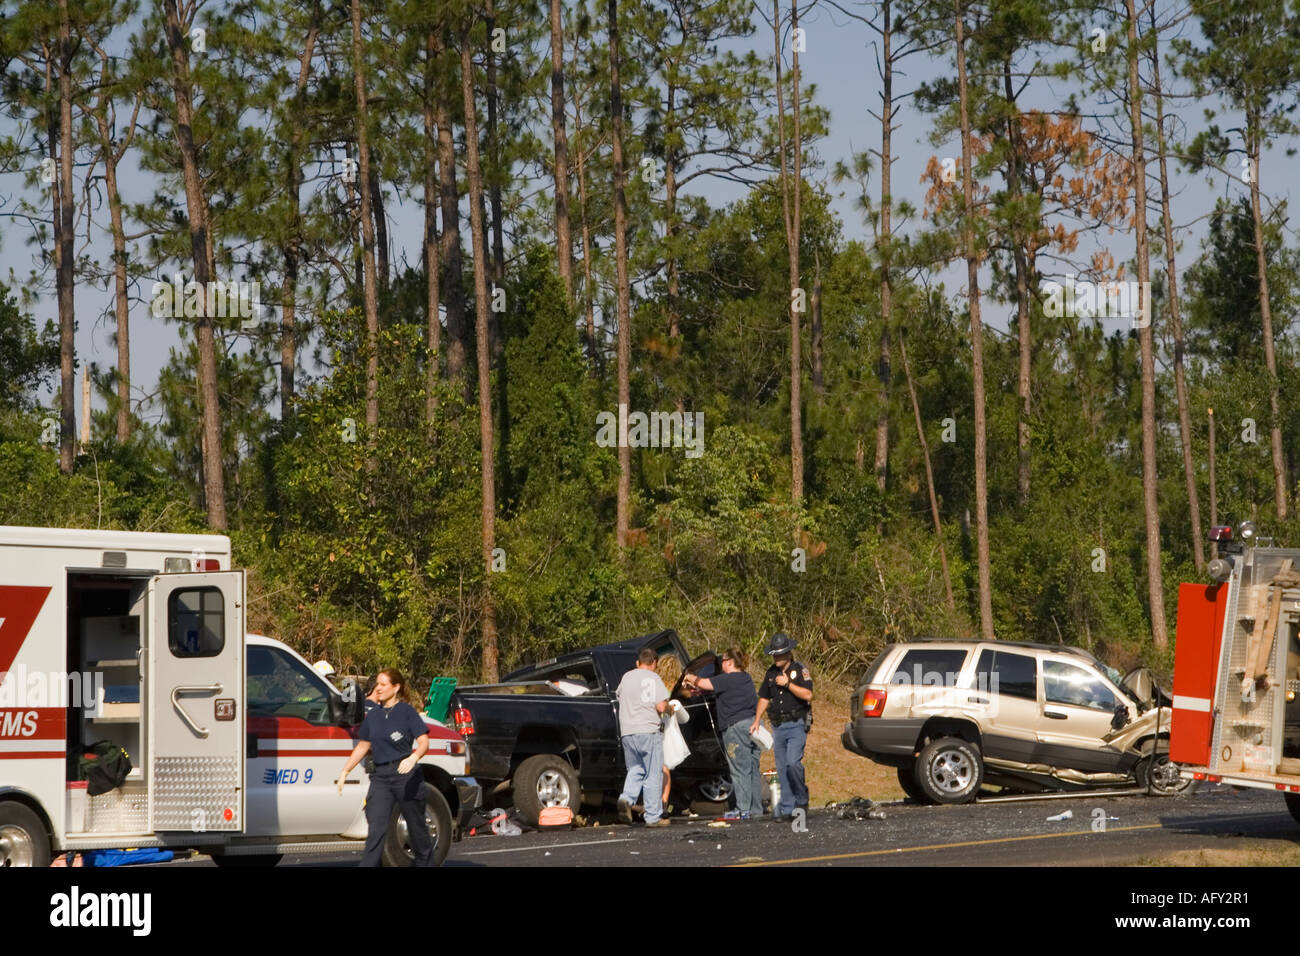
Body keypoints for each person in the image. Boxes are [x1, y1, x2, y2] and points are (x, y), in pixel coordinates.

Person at [338, 668, 435, 866]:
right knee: (375, 830)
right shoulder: (373, 716)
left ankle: (425, 862)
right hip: (381, 777)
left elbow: (424, 742)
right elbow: (363, 746)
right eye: (377, 684)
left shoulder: (407, 712)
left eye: (383, 684)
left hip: (406, 777)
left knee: (417, 830)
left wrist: (413, 757)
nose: (378, 688)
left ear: (396, 687)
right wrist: (345, 770)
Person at [684, 647, 762, 820]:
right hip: (753, 726)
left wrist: (689, 677)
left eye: (723, 660)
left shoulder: (727, 679)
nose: (721, 663)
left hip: (736, 729)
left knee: (738, 770)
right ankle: (756, 809)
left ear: (730, 662)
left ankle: (742, 809)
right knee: (752, 769)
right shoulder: (745, 678)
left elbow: (704, 683)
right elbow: (716, 691)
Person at [752, 632, 813, 821]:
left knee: (793, 764)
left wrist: (788, 684)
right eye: (774, 654)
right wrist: (756, 720)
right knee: (782, 768)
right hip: (778, 727)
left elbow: (808, 695)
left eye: (779, 654)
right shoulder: (770, 673)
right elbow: (764, 697)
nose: (776, 657)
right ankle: (788, 809)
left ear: (788, 653)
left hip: (796, 724)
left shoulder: (799, 670)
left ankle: (801, 798)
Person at [615, 648, 671, 827]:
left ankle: (626, 799)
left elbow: (619, 695)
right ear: (654, 663)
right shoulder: (654, 678)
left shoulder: (626, 677)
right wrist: (672, 709)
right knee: (653, 774)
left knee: (636, 769)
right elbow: (662, 707)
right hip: (648, 730)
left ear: (638, 663)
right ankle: (653, 817)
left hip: (627, 732)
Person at [657, 655, 685, 810]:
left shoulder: (656, 683)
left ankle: (656, 804)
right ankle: (663, 804)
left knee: (658, 769)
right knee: (665, 769)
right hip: (665, 731)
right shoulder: (671, 687)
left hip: (653, 728)